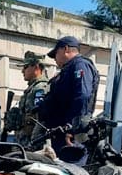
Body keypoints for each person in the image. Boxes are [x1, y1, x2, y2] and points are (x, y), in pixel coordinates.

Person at [39, 36, 99, 166]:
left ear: (66, 49)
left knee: (71, 174)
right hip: (61, 132)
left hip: (71, 135)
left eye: (56, 54)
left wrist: (72, 128)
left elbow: (82, 96)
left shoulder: (80, 65)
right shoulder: (68, 69)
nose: (54, 58)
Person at [14, 51, 49, 150]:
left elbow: (40, 119)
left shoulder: (41, 88)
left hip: (33, 145)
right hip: (24, 142)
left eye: (25, 67)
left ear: (36, 67)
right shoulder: (32, 89)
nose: (22, 71)